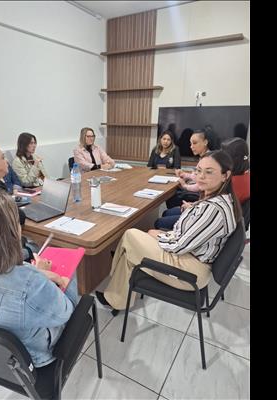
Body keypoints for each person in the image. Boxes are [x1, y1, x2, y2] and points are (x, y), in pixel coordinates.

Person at [96, 151, 243, 314]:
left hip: (190, 271)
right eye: (199, 170)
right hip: (191, 257)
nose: (201, 176)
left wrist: (159, 235)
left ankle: (114, 280)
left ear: (225, 175)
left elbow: (179, 246)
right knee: (132, 249)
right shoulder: (221, 198)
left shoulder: (214, 209)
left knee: (130, 236)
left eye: (209, 172)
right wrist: (164, 233)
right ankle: (117, 298)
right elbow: (189, 234)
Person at [0, 186, 78, 368]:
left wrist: (32, 272)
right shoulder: (29, 284)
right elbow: (64, 313)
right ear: (10, 234)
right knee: (71, 274)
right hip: (31, 360)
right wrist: (57, 279)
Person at [155, 137, 249, 230]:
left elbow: (212, 209)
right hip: (206, 211)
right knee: (167, 213)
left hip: (207, 219)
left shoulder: (230, 181)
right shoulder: (242, 176)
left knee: (159, 221)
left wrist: (192, 207)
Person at [165, 130, 213, 208]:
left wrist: (185, 186)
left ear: (205, 142)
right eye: (190, 144)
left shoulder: (208, 160)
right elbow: (197, 176)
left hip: (202, 196)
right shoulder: (204, 156)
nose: (191, 146)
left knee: (173, 198)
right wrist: (185, 175)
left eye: (194, 143)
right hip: (201, 195)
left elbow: (200, 185)